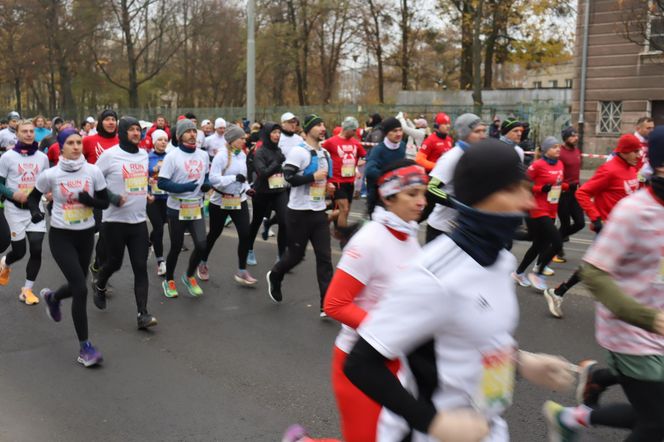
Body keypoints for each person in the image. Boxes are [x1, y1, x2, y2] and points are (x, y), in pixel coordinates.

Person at [344, 139, 574, 442]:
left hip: (488, 429)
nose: (528, 202)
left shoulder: (502, 261)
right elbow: (361, 363)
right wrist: (434, 423)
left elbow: (480, 337)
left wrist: (524, 363)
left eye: (526, 188)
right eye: (512, 190)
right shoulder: (433, 274)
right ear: (481, 196)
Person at [544, 126, 664, 441]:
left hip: (657, 324)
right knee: (655, 423)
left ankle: (572, 417)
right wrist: (648, 318)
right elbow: (594, 274)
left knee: (652, 414)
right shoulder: (635, 211)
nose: (637, 154)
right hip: (633, 332)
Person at [323, 159, 426, 442]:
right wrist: (387, 329)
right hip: (358, 363)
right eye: (412, 194)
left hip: (399, 361)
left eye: (423, 193)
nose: (421, 202)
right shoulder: (369, 241)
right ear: (389, 197)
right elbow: (334, 304)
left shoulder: (410, 236)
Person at [29, 128, 109, 367]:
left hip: (85, 236)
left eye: (79, 142)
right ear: (61, 147)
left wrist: (90, 202)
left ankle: (53, 297)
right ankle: (85, 348)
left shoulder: (93, 171)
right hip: (61, 236)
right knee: (81, 288)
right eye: (71, 143)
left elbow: (104, 202)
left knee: (77, 284)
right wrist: (35, 211)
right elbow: (34, 197)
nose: (76, 146)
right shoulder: (50, 175)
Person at [542, 133, 641, 318]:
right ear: (625, 151)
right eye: (635, 151)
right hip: (609, 229)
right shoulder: (609, 169)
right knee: (597, 268)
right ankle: (559, 292)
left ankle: (559, 292)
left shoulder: (632, 168)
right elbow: (583, 193)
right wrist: (595, 218)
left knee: (602, 267)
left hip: (625, 229)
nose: (638, 154)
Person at [92, 117, 157, 330]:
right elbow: (93, 181)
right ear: (122, 132)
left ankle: (143, 314)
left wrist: (145, 193)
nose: (136, 133)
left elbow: (135, 181)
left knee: (140, 267)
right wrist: (112, 198)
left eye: (138, 130)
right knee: (114, 263)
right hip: (114, 222)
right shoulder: (110, 156)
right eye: (131, 130)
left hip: (138, 221)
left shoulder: (142, 155)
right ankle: (100, 284)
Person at [266, 114, 333, 316]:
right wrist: (312, 177)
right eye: (318, 125)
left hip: (319, 211)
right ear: (308, 129)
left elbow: (324, 180)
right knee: (296, 256)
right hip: (298, 213)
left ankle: (326, 304)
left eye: (323, 124)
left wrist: (328, 186)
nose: (322, 128)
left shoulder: (325, 153)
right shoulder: (299, 152)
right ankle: (276, 275)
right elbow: (289, 178)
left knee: (325, 257)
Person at [193, 124, 256, 286]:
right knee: (214, 233)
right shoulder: (221, 156)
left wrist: (248, 189)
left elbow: (244, 178)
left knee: (245, 234)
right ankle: (202, 262)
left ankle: (242, 270)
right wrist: (233, 179)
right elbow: (214, 180)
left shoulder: (241, 154)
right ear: (233, 139)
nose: (244, 140)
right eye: (241, 138)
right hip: (220, 201)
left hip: (239, 200)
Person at [157, 119, 210, 298]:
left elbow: (207, 175)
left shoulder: (203, 155)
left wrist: (207, 184)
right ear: (180, 136)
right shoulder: (172, 156)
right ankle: (169, 280)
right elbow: (162, 182)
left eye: (194, 131)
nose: (192, 134)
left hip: (196, 206)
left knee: (202, 245)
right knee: (176, 246)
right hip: (177, 207)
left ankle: (188, 276)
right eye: (188, 131)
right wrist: (184, 187)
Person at [0, 120, 49, 304]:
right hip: (14, 210)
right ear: (17, 134)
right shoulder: (7, 157)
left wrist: (51, 192)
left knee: (36, 249)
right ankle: (5, 263)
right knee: (19, 252)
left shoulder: (42, 158)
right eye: (25, 131)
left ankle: (26, 290)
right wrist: (13, 193)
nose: (29, 134)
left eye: (31, 131)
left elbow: (46, 181)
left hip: (35, 210)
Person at [512, 137, 567, 291]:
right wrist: (540, 189)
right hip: (537, 208)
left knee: (538, 245)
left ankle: (519, 272)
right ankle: (539, 273)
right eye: (554, 147)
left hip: (551, 208)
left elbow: (557, 183)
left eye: (559, 147)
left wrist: (567, 186)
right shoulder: (537, 165)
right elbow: (524, 185)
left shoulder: (560, 164)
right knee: (557, 242)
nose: (558, 149)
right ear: (545, 149)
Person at [424, 113, 487, 242]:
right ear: (465, 134)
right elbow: (430, 188)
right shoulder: (452, 157)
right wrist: (458, 204)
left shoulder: (477, 154)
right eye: (477, 131)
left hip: (463, 229)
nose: (483, 136)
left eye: (484, 131)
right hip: (441, 230)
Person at [84, 109, 120, 278]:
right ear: (100, 122)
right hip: (96, 193)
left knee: (108, 233)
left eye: (113, 119)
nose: (111, 122)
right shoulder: (89, 141)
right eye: (107, 119)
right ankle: (79, 255)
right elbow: (76, 159)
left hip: (117, 194)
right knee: (96, 228)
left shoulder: (122, 141)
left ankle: (98, 265)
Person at [247, 122, 288, 265]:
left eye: (279, 133)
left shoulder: (278, 150)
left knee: (284, 221)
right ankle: (249, 249)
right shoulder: (260, 152)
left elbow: (280, 169)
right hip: (262, 192)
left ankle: (281, 254)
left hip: (279, 191)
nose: (277, 135)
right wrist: (277, 162)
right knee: (256, 222)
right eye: (274, 132)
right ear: (267, 134)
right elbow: (263, 173)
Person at [322, 116, 366, 232]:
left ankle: (329, 223)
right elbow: (320, 153)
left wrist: (359, 164)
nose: (355, 132)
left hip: (350, 182)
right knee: (344, 209)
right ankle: (343, 237)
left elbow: (364, 155)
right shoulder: (331, 142)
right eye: (353, 130)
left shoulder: (355, 143)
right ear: (347, 128)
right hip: (336, 181)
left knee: (345, 211)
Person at [554, 126, 584, 263]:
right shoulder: (559, 152)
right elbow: (555, 173)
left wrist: (579, 185)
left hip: (575, 192)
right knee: (565, 224)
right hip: (562, 192)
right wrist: (565, 185)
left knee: (580, 223)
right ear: (565, 138)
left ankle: (556, 240)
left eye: (576, 135)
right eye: (572, 136)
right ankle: (556, 249)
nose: (576, 138)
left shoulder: (577, 151)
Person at [364, 117, 406, 215]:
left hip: (396, 194)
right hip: (378, 197)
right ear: (386, 133)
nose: (399, 134)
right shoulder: (378, 150)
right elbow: (369, 170)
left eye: (400, 130)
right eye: (395, 131)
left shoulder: (402, 146)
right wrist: (390, 177)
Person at [146, 129, 169, 276]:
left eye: (165, 140)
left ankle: (149, 243)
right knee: (159, 228)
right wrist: (146, 191)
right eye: (159, 139)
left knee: (163, 223)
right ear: (154, 142)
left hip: (167, 198)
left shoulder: (171, 157)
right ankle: (161, 262)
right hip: (152, 198)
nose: (162, 142)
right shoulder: (147, 157)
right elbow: (139, 175)